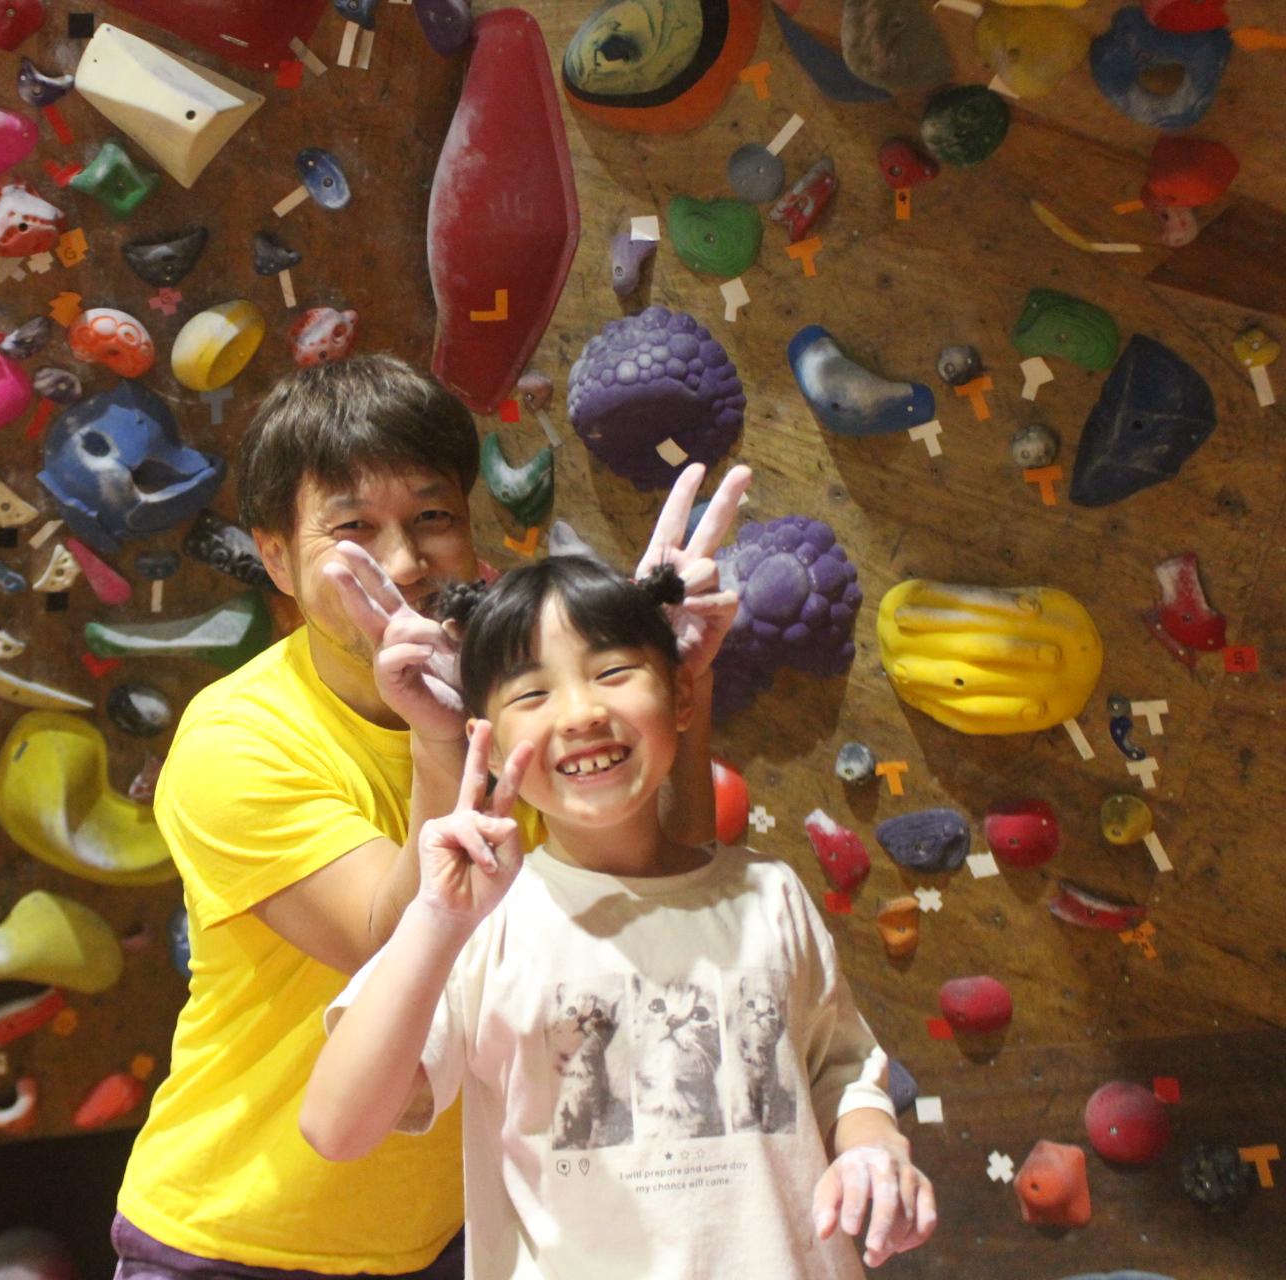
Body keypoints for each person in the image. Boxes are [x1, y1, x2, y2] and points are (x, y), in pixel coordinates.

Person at [113, 355, 745, 1279]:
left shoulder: (527, 691)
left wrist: (678, 681)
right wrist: (439, 737)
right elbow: (392, 950)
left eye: (433, 518)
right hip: (241, 1237)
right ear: (275, 556)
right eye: (354, 529)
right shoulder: (234, 743)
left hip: (463, 1232)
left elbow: (668, 871)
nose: (406, 563)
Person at [299, 553, 937, 1280]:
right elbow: (336, 1126)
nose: (581, 713)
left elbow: (840, 1072)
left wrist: (873, 1146)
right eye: (532, 692)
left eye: (612, 673)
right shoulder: (480, 920)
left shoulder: (771, 893)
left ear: (682, 696)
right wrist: (437, 920)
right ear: (488, 740)